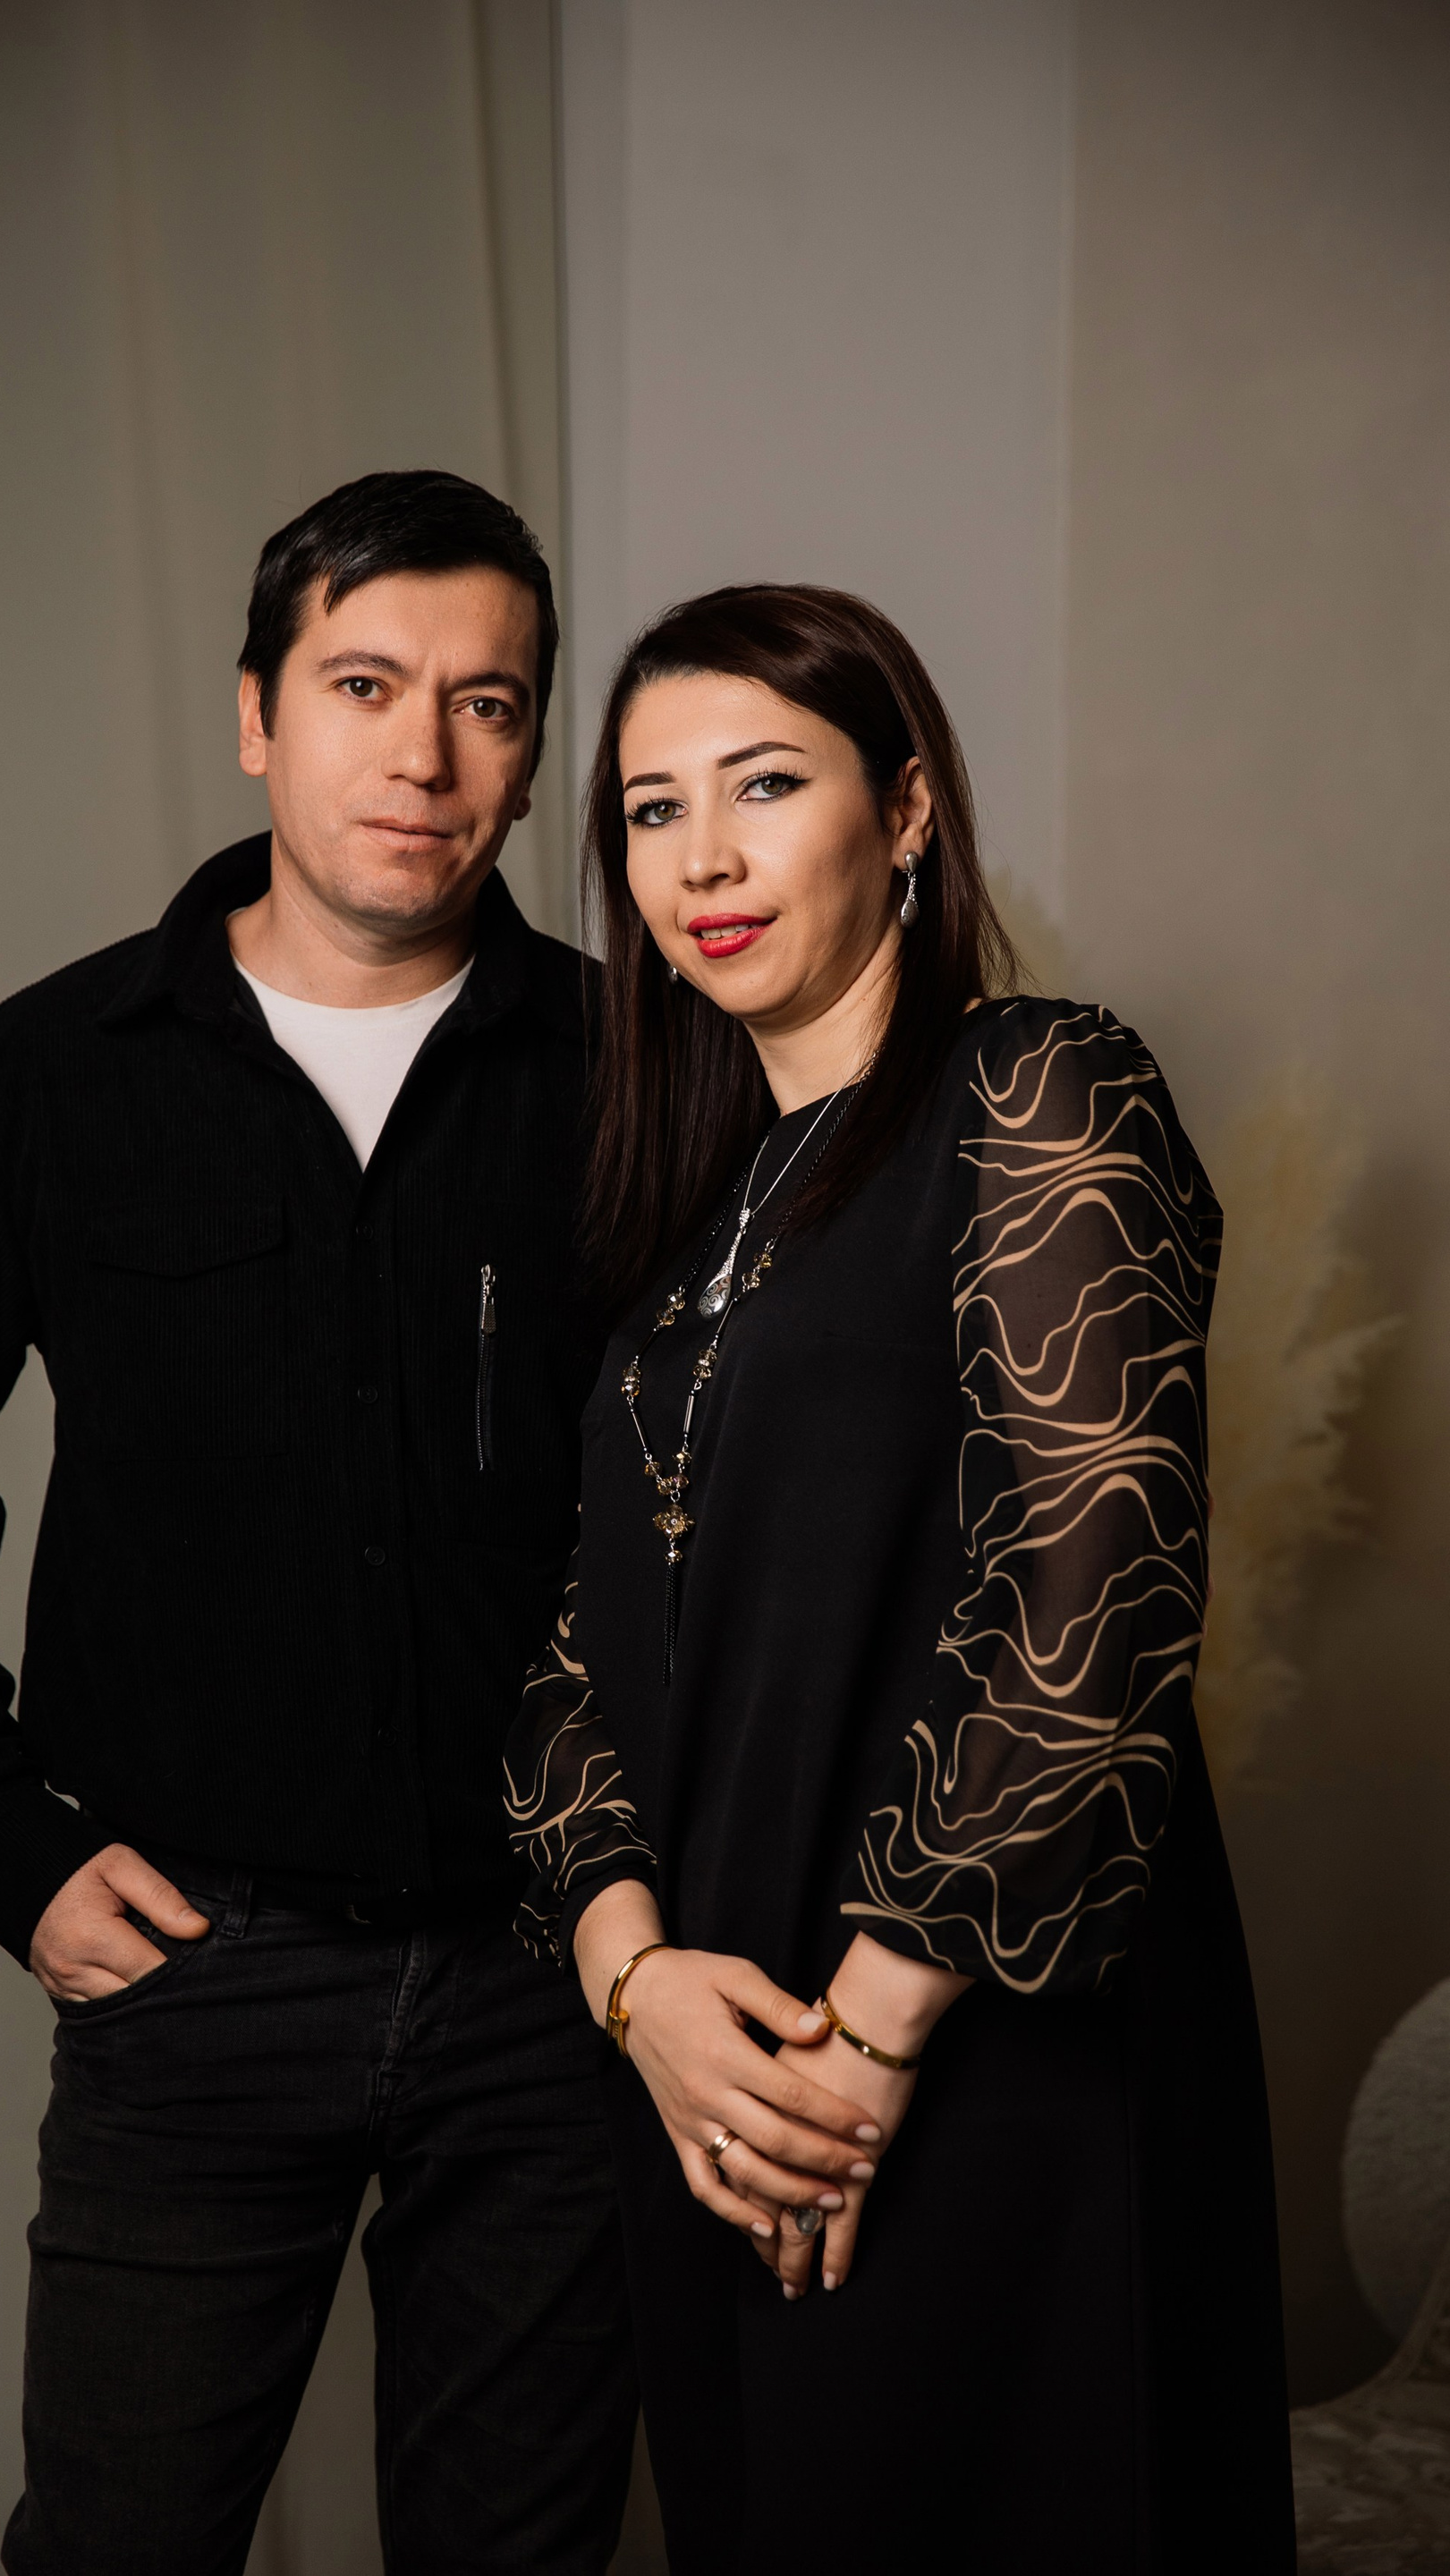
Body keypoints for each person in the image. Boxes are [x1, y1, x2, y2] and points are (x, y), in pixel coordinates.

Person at [0, 470, 637, 2575]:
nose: (424, 753)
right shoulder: (48, 1073)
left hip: (565, 1977)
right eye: (364, 684)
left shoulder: (641, 1075)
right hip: (195, 1971)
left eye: (487, 703)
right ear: (257, 712)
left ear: (534, 750)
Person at [505, 583, 1295, 2572]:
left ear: (911, 806)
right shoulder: (683, 1220)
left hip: (975, 2036)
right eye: (652, 810)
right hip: (712, 2075)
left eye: (765, 785)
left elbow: (1098, 1583)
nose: (703, 858)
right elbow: (570, 1649)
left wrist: (861, 2045)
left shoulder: (1036, 1082)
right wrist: (639, 1986)